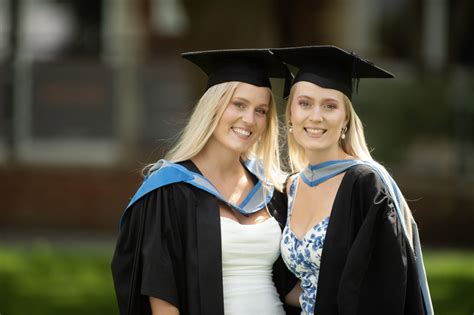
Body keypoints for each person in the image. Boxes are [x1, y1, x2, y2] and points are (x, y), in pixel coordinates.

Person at [111, 49, 298, 315]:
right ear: (213, 106)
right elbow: (163, 300)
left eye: (260, 110)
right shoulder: (170, 190)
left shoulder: (271, 191)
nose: (249, 120)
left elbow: (289, 287)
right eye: (239, 104)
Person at [271, 45, 433, 315]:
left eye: (330, 106)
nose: (315, 116)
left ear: (345, 118)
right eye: (305, 103)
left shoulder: (365, 185)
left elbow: (384, 289)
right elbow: (291, 287)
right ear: (290, 114)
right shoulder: (290, 188)